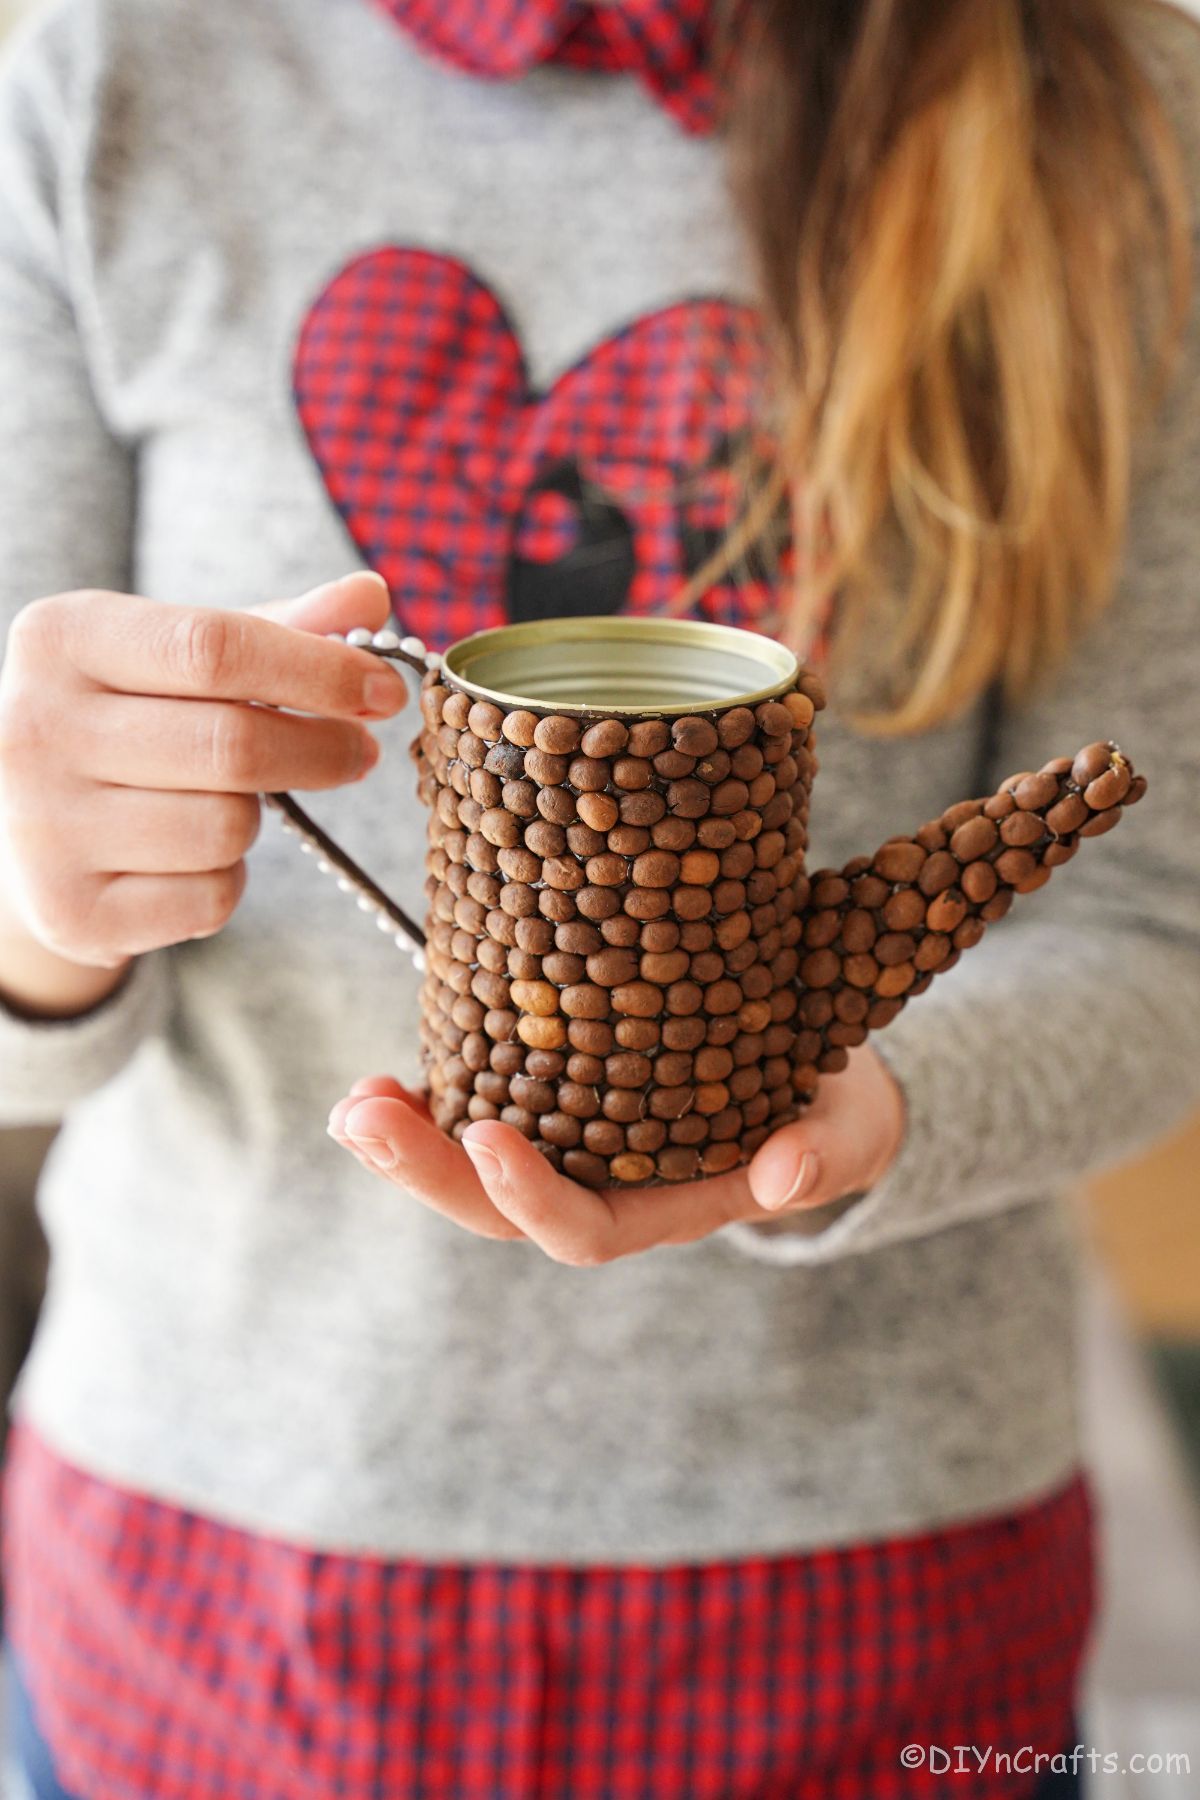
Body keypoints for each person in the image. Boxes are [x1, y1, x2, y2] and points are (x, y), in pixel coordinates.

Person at [0, 1, 1197, 1796]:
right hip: (214, 1573)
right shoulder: (116, 70)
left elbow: (1161, 925)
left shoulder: (1106, 98)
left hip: (885, 1587)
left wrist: (863, 1114)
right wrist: (44, 910)